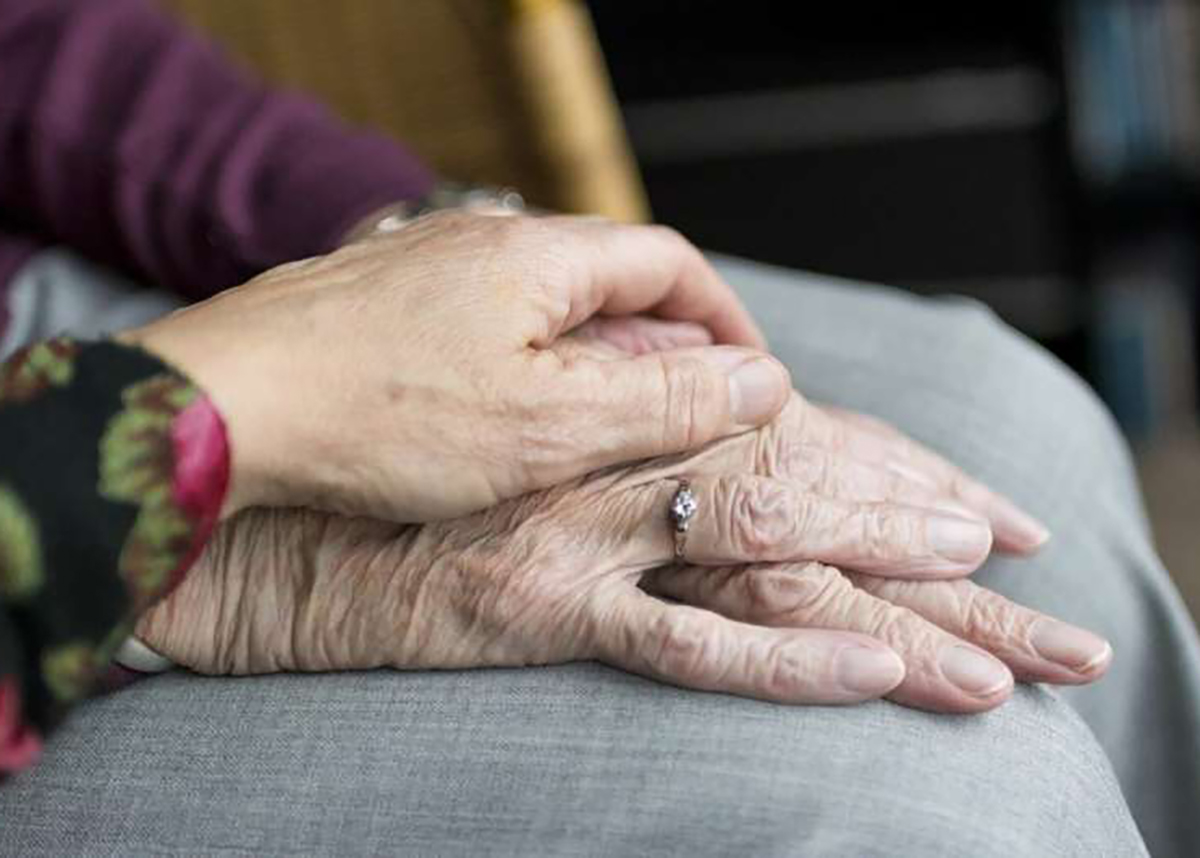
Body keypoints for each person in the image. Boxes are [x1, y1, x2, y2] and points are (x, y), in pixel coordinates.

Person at [0, 1, 1196, 856]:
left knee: (1006, 425)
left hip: (74, 315)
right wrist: (202, 546)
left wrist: (403, 248)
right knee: (950, 802)